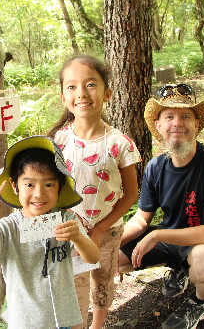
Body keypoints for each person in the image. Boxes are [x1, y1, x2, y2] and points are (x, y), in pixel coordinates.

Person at [118, 84, 204, 329]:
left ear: (196, 124)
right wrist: (110, 240)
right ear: (159, 126)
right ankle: (180, 269)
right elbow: (142, 219)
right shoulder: (155, 167)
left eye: (185, 116)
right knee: (109, 257)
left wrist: (157, 235)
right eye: (169, 117)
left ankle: (199, 302)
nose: (177, 123)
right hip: (172, 238)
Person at [0, 135, 100, 329]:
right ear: (15, 186)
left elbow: (92, 257)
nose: (39, 193)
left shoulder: (67, 220)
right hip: (24, 323)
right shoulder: (6, 229)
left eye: (49, 184)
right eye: (29, 184)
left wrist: (77, 238)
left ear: (60, 188)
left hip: (62, 321)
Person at [48, 55, 141, 329]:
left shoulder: (120, 143)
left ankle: (97, 326)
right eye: (72, 87)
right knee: (74, 287)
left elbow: (131, 195)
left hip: (108, 231)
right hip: (69, 233)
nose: (82, 94)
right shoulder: (58, 141)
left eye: (90, 85)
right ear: (63, 97)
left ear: (107, 93)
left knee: (102, 280)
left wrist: (100, 229)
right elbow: (48, 188)